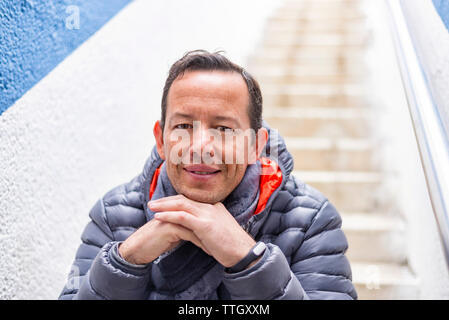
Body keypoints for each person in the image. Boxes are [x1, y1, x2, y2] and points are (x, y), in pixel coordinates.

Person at [59, 50, 357, 300]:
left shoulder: (310, 220)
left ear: (256, 145)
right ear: (161, 140)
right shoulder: (114, 216)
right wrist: (125, 262)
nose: (201, 147)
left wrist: (248, 259)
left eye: (223, 129)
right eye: (184, 126)